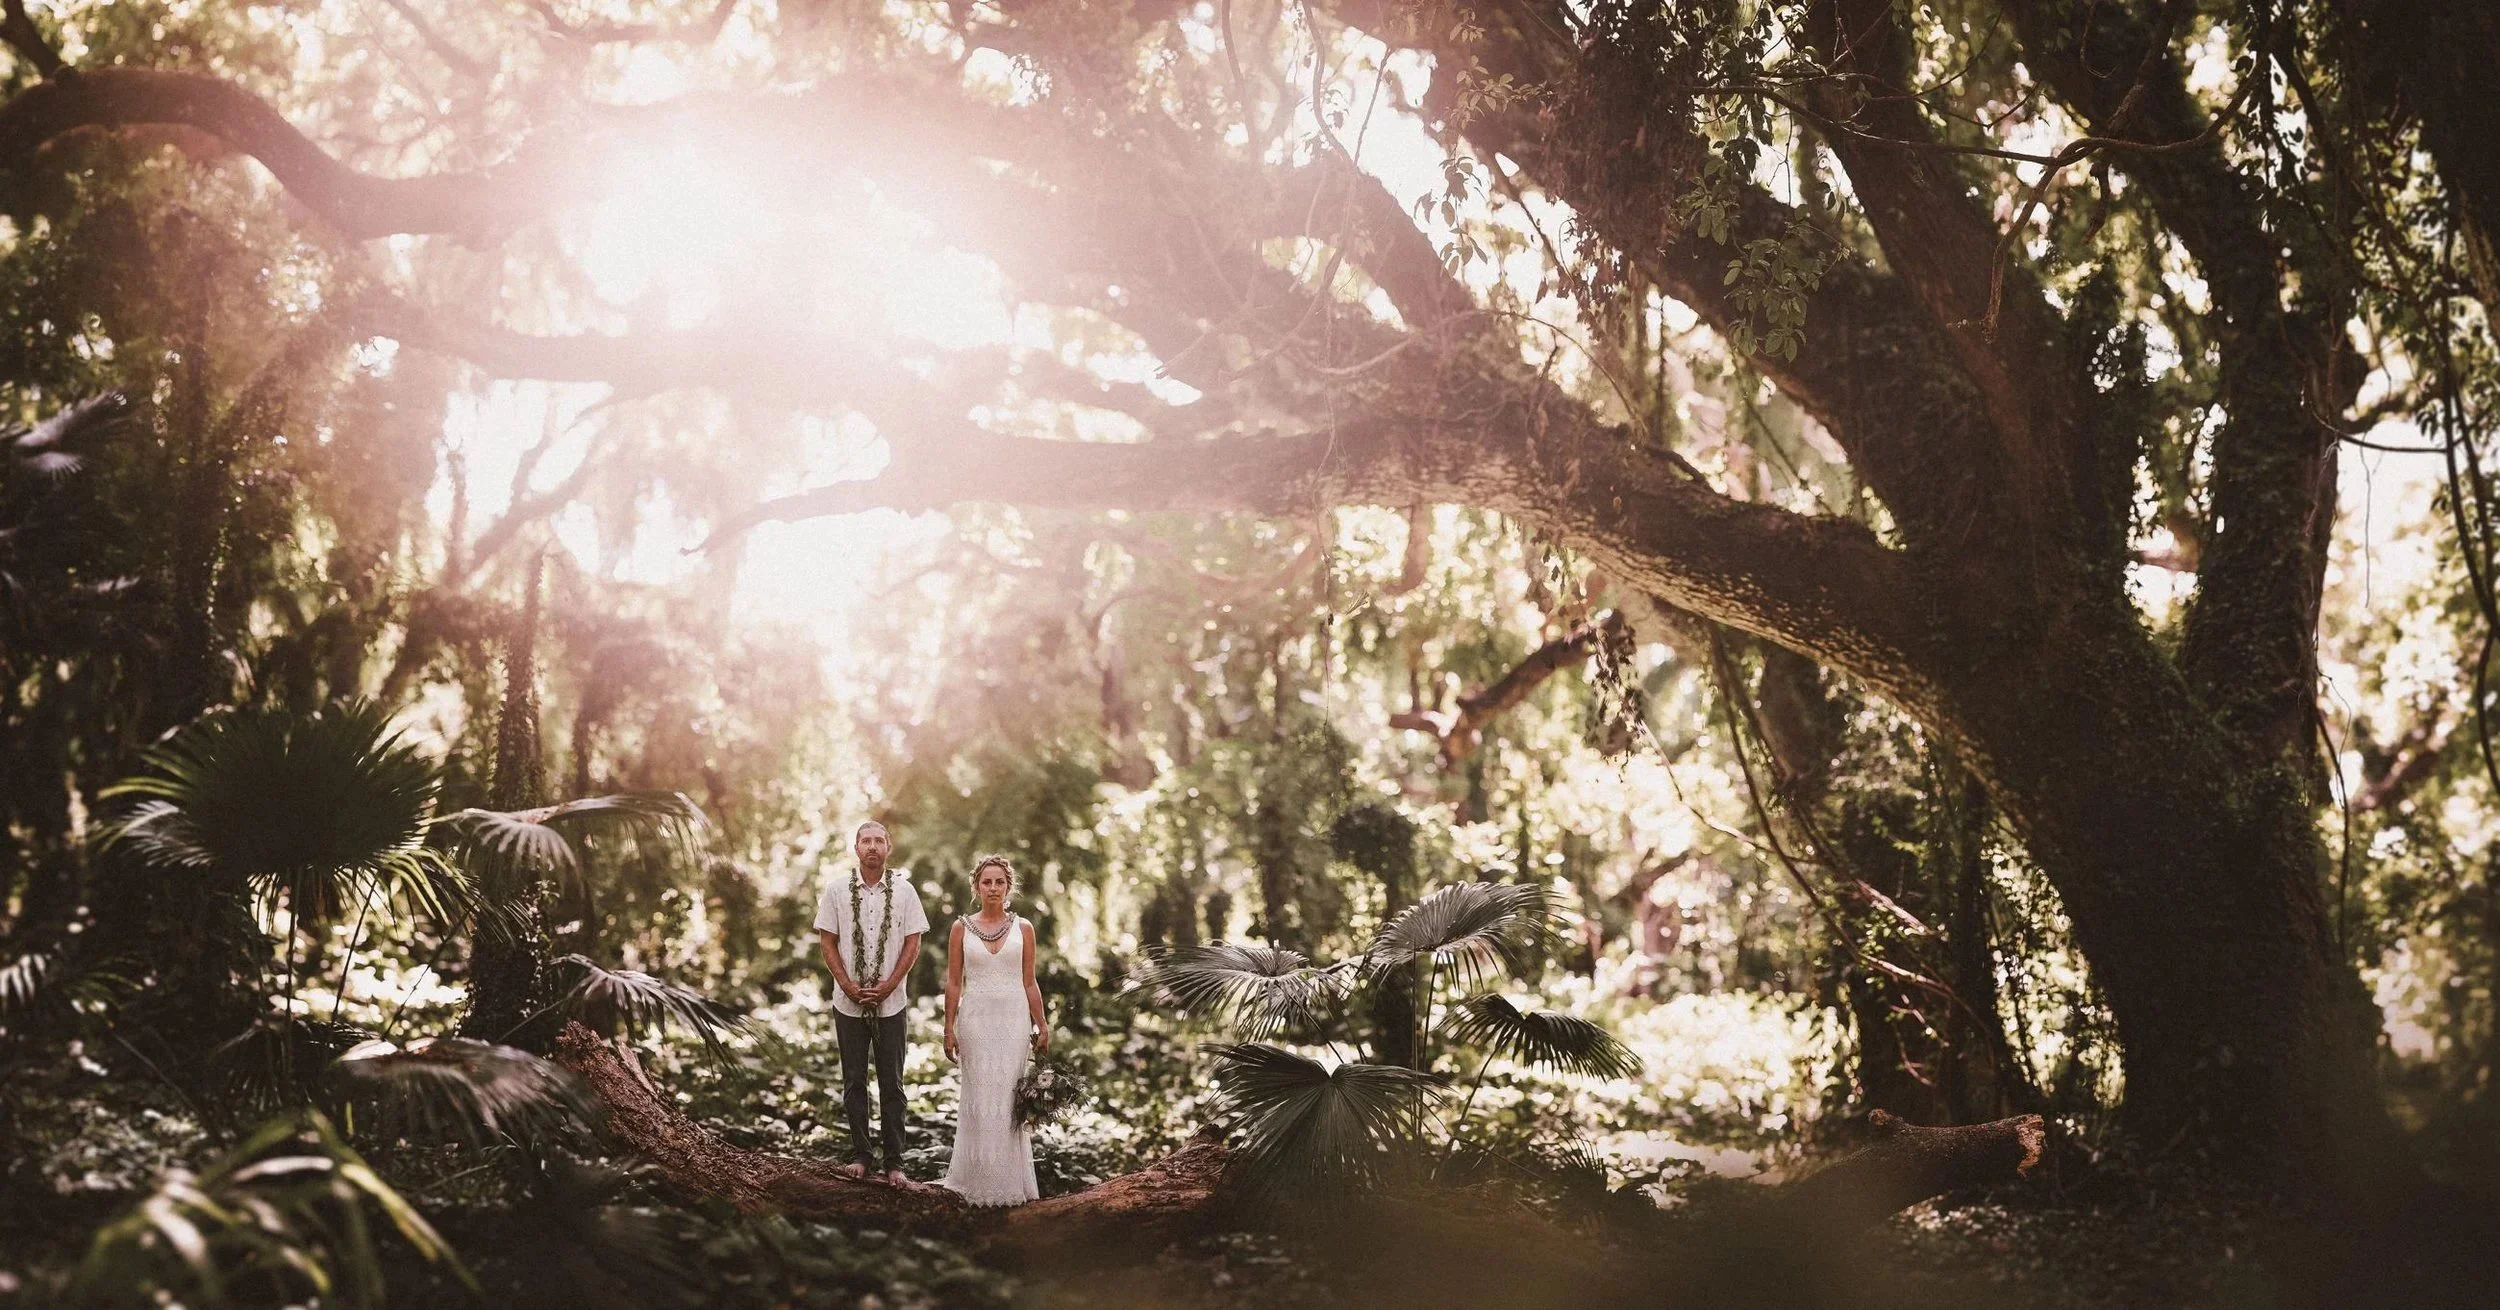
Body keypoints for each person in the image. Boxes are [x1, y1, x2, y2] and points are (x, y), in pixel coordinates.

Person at [813, 820, 929, 1184]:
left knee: (892, 1083)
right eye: (866, 841)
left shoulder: (906, 891)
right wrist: (847, 984)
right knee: (854, 1081)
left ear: (888, 848)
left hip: (892, 1004)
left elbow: (913, 943)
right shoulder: (836, 891)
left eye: (879, 840)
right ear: (856, 847)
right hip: (847, 1004)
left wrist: (889, 985)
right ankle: (862, 1155)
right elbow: (827, 941)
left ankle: (895, 1163)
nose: (873, 847)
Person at [940, 854, 1046, 1206]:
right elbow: (954, 983)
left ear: (1008, 886)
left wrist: (1042, 1024)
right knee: (979, 1097)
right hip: (975, 1020)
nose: (993, 888)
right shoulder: (960, 928)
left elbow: (1030, 982)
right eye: (987, 882)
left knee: (1008, 1098)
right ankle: (974, 1182)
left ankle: (1010, 1184)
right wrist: (948, 1028)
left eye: (999, 882)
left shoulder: (1024, 928)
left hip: (1014, 1021)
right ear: (976, 886)